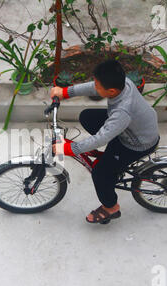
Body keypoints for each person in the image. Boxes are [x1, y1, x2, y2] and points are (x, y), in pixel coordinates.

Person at [50, 60, 160, 224]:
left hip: (136, 143)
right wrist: (65, 92)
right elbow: (93, 87)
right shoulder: (125, 83)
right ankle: (112, 159)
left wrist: (72, 148)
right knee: (87, 116)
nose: (95, 87)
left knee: (100, 174)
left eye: (98, 85)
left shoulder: (123, 110)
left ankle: (111, 208)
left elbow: (102, 138)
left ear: (111, 91)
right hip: (131, 127)